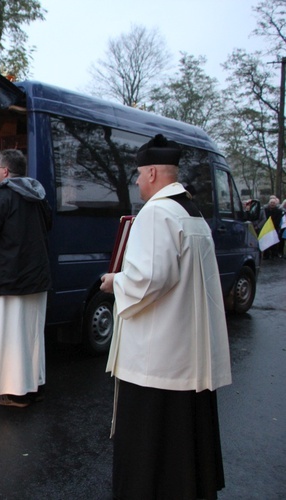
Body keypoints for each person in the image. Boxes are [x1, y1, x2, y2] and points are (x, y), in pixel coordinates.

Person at [99, 134, 231, 499]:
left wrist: (115, 282)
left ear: (153, 172)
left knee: (152, 450)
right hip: (187, 352)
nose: (138, 182)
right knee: (184, 444)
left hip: (156, 361)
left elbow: (149, 279)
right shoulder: (192, 213)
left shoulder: (156, 213)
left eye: (139, 175)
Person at [0, 149, 52, 408]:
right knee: (29, 338)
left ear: (4, 171)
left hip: (6, 281)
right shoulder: (39, 198)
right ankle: (32, 386)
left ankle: (10, 391)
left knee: (6, 338)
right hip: (35, 280)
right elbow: (47, 229)